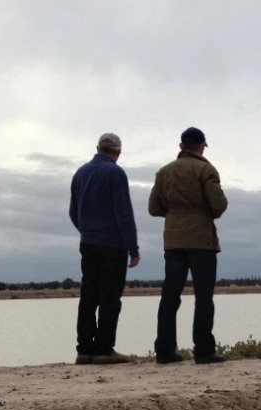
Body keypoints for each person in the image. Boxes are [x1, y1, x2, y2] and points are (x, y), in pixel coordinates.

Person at [148, 127, 228, 365]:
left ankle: (164, 350)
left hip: (173, 241)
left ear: (181, 146)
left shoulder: (164, 172)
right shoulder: (206, 169)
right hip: (202, 241)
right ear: (202, 145)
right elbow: (219, 207)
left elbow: (154, 208)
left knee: (170, 296)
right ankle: (203, 350)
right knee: (203, 296)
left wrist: (175, 213)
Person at [69, 132, 140, 365]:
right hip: (112, 245)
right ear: (118, 152)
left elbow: (73, 211)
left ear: (97, 148)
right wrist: (133, 248)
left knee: (88, 295)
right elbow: (124, 213)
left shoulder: (80, 173)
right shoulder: (115, 173)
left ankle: (84, 349)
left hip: (87, 243)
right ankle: (104, 349)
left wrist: (86, 230)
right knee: (110, 297)